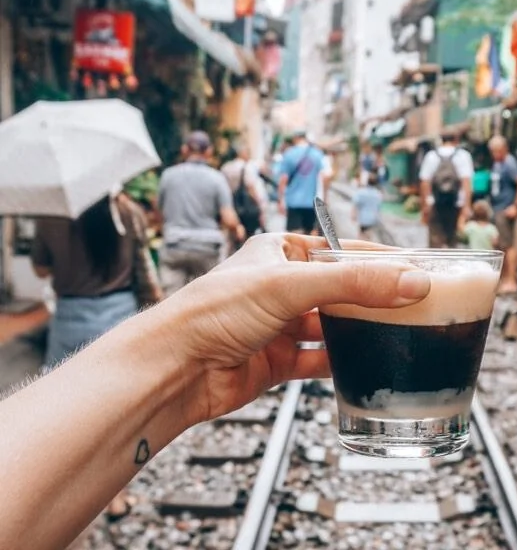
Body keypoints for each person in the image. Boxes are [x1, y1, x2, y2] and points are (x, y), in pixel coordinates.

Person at [0, 234, 432, 550]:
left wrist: (186, 347)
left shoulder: (57, 219)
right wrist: (180, 333)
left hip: (73, 315)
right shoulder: (124, 213)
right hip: (117, 308)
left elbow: (42, 269)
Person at [30, 191, 162, 365]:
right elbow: (143, 268)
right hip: (121, 315)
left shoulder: (50, 217)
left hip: (69, 318)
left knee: (63, 385)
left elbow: (41, 271)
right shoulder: (128, 212)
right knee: (120, 384)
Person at [158, 131, 245, 296]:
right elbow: (228, 218)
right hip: (207, 248)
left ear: (184, 150)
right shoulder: (216, 178)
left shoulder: (168, 176)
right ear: (209, 152)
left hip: (174, 245)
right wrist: (237, 228)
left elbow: (159, 212)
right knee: (207, 299)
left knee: (170, 302)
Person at [487, 135, 517, 294]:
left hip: (506, 208)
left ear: (504, 149)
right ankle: (505, 278)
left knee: (508, 245)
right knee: (500, 245)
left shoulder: (509, 163)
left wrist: (516, 205)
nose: (495, 154)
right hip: (497, 208)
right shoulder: (498, 163)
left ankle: (511, 280)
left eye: (497, 151)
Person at [419, 132, 474, 248]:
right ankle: (451, 265)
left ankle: (435, 265)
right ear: (456, 139)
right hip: (456, 205)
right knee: (453, 240)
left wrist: (426, 204)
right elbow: (466, 182)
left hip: (435, 203)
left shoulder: (431, 156)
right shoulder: (463, 156)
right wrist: (466, 206)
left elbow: (425, 182)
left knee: (435, 241)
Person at [276, 131, 325, 234]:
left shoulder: (289, 154)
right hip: (311, 203)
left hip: (293, 202)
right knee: (309, 235)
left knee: (295, 235)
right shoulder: (317, 154)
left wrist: (280, 200)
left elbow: (283, 179)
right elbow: (323, 178)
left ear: (295, 138)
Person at [221, 141, 267, 241]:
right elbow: (251, 188)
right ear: (242, 153)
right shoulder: (247, 167)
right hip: (247, 206)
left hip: (231, 204)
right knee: (249, 235)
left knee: (233, 233)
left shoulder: (226, 167)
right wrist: (259, 205)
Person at [352, 172, 384, 241]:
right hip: (373, 218)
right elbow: (378, 207)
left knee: (361, 235)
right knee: (369, 236)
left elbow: (355, 204)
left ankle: (361, 248)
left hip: (363, 218)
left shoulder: (361, 192)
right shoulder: (378, 194)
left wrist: (354, 215)